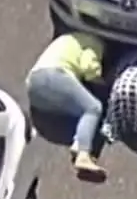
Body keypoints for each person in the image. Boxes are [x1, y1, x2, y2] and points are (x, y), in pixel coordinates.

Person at [26, 32, 107, 180]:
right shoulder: (94, 41)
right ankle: (83, 153)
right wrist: (102, 82)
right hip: (55, 75)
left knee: (77, 109)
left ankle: (79, 142)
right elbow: (89, 68)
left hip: (34, 85)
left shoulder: (69, 38)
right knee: (93, 108)